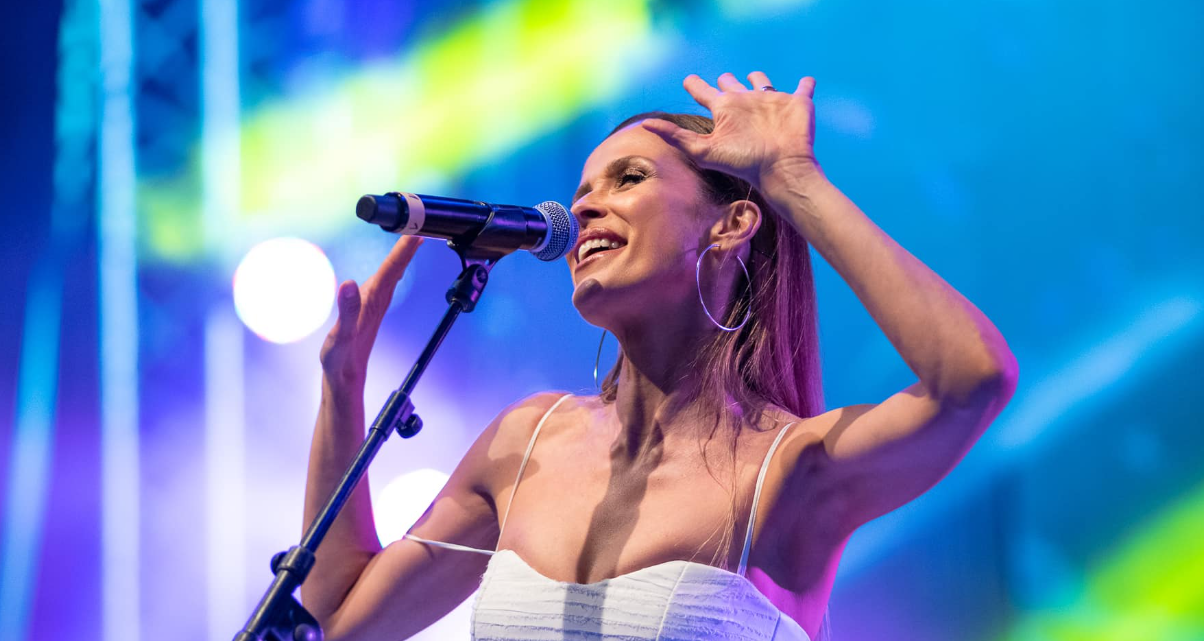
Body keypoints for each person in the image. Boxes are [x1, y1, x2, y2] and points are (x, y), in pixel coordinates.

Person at [301, 71, 1018, 641]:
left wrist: (793, 179)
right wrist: (342, 386)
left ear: (732, 223)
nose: (583, 209)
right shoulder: (527, 444)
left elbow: (974, 378)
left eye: (629, 178)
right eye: (582, 191)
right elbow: (340, 618)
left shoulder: (788, 469)